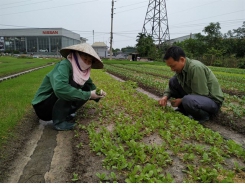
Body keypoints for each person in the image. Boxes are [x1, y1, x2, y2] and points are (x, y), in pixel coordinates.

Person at [32, 43, 106, 131]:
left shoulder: (82, 73)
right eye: (85, 59)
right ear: (76, 56)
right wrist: (89, 95)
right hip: (43, 107)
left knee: (86, 88)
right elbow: (60, 89)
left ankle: (66, 113)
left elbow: (90, 86)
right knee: (71, 86)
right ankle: (59, 122)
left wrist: (98, 93)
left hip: (52, 104)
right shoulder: (64, 65)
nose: (86, 63)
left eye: (89, 61)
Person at [158, 46, 224, 123]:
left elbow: (202, 94)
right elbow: (171, 84)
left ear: (182, 60)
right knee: (173, 81)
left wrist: (181, 100)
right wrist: (165, 97)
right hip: (198, 99)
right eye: (170, 67)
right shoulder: (180, 70)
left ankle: (203, 116)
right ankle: (184, 111)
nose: (172, 69)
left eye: (173, 66)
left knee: (187, 100)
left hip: (212, 102)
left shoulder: (195, 68)